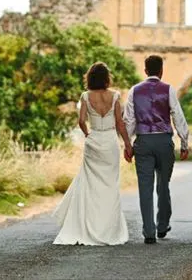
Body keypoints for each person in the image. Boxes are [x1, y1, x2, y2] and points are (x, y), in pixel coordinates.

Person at [52, 62, 132, 246]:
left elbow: (81, 121)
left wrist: (88, 134)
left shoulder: (86, 96)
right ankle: (109, 231)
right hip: (110, 143)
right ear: (106, 78)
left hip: (94, 141)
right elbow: (120, 124)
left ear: (89, 78)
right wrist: (127, 144)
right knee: (110, 186)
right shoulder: (115, 96)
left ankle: (87, 226)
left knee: (91, 187)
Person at [123, 54, 189, 244]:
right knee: (163, 185)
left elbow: (129, 120)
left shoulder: (134, 91)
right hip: (163, 142)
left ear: (145, 71)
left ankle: (149, 232)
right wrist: (184, 143)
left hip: (143, 141)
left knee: (145, 187)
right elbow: (178, 116)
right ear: (161, 70)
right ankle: (162, 226)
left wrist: (128, 145)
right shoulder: (168, 90)